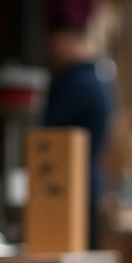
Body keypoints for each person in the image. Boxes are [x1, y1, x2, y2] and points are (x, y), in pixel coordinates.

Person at [42, 23, 114, 250]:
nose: (50, 52)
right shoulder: (98, 77)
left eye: (54, 44)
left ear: (67, 40)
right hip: (88, 183)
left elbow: (48, 131)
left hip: (71, 190)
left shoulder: (79, 82)